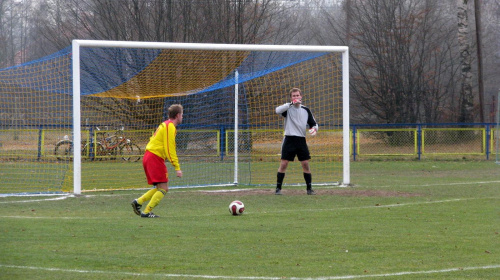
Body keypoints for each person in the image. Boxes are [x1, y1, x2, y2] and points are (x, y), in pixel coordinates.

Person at [131, 104, 183, 218]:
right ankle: (146, 212)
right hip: (154, 158)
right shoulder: (170, 127)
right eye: (182, 114)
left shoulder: (165, 124)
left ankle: (138, 202)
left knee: (160, 188)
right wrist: (177, 167)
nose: (182, 117)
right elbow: (170, 148)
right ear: (178, 115)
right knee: (164, 188)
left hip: (149, 156)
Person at [275, 88, 318, 195]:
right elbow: (277, 110)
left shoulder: (305, 110)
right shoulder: (288, 109)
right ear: (291, 98)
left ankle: (309, 189)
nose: (296, 97)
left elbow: (314, 123)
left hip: (301, 140)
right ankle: (278, 189)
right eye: (293, 96)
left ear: (301, 96)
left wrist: (314, 129)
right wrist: (290, 104)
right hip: (289, 139)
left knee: (305, 164)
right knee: (284, 163)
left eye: (297, 95)